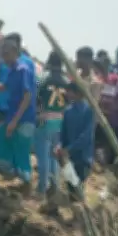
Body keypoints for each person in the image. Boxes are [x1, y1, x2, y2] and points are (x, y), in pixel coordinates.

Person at [0, 39, 37, 193]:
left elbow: (27, 97)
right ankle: (2, 172)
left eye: (7, 54)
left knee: (22, 149)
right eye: (3, 54)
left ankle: (26, 183)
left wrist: (15, 121)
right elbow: (3, 87)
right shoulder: (12, 70)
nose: (4, 57)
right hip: (13, 117)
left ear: (16, 52)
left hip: (24, 118)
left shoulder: (23, 69)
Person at [34, 51, 68, 197]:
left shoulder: (42, 78)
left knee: (43, 156)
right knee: (54, 155)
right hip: (60, 121)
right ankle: (54, 186)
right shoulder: (66, 81)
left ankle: (42, 188)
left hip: (44, 119)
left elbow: (35, 97)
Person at [58, 81, 95, 195]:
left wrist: (68, 149)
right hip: (70, 157)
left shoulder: (88, 111)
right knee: (71, 188)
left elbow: (86, 136)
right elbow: (63, 133)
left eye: (70, 92)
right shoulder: (68, 111)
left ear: (79, 93)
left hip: (83, 157)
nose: (67, 94)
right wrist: (60, 147)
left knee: (78, 187)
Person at [94, 59, 118, 165]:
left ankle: (110, 163)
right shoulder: (98, 79)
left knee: (111, 139)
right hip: (100, 114)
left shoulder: (114, 78)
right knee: (99, 138)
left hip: (113, 116)